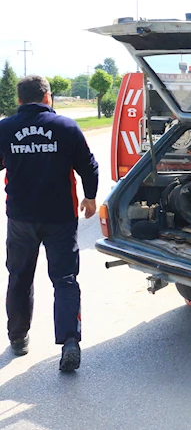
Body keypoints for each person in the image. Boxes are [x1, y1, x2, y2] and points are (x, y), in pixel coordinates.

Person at [0, 76, 99, 372]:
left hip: (21, 218)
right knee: (65, 279)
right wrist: (91, 198)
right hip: (60, 218)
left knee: (19, 277)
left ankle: (18, 338)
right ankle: (69, 341)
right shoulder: (66, 127)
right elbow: (89, 166)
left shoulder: (5, 128)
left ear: (19, 100)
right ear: (47, 97)